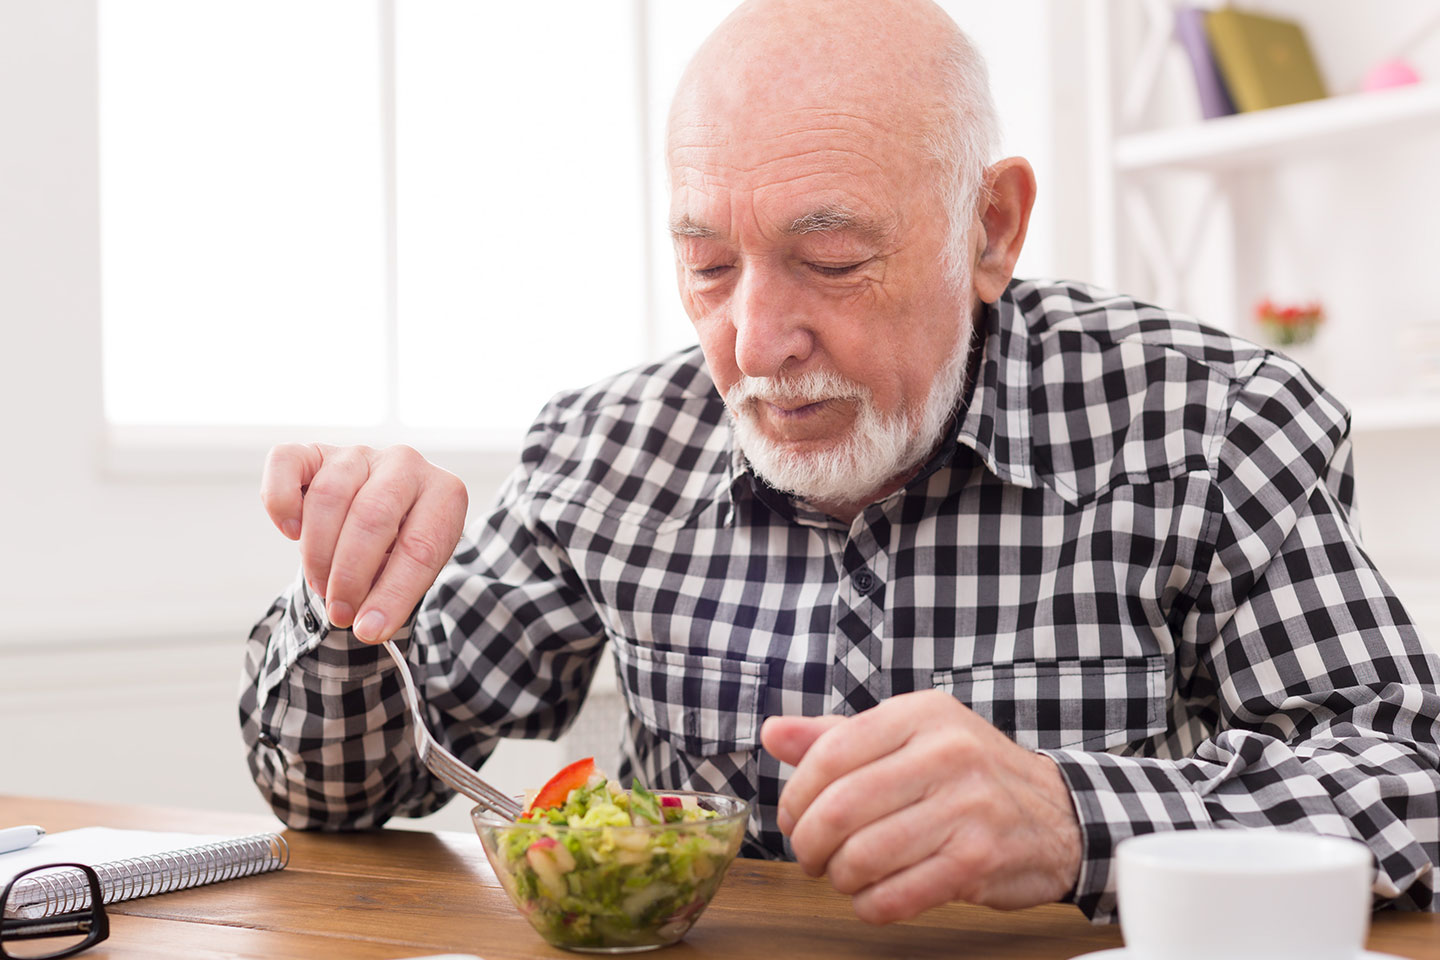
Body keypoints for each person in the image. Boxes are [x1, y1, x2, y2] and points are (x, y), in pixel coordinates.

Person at [240, 0, 1440, 924]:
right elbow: (339, 794)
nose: (755, 346)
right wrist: (350, 602)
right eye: (709, 266)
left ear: (990, 229)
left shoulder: (1216, 423)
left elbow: (1408, 782)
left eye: (833, 258)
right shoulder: (603, 450)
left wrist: (1078, 818)